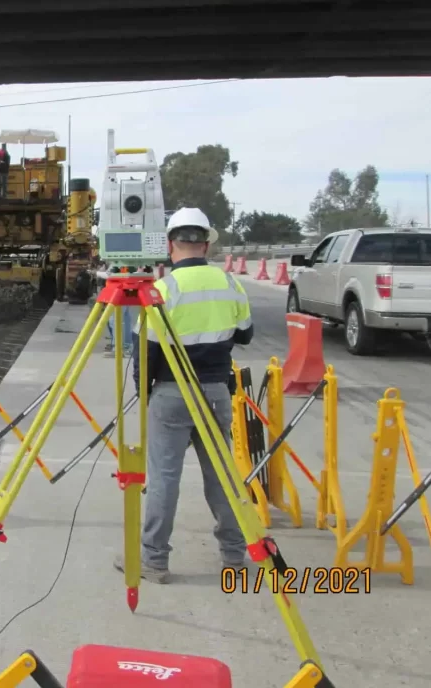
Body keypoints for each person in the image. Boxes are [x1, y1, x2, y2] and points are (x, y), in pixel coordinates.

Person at [115, 207, 252, 583]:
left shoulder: (162, 290)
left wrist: (143, 395)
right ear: (206, 244)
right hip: (214, 390)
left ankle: (154, 560)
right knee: (222, 476)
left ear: (171, 245)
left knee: (164, 479)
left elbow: (148, 351)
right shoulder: (230, 283)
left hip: (172, 394)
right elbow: (244, 334)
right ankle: (234, 555)